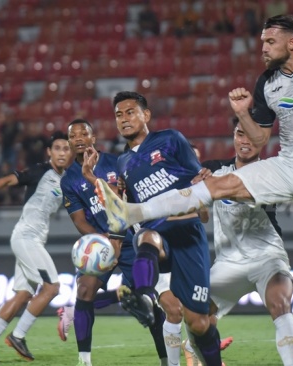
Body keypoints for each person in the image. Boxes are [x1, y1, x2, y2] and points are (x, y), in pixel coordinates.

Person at [94, 14, 293, 356]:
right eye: (262, 41)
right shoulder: (267, 83)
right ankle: (131, 212)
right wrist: (243, 112)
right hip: (287, 164)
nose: (262, 47)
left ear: (292, 42)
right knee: (219, 185)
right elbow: (261, 139)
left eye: (270, 41)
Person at [81, 91, 224, 366]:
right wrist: (89, 176)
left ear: (146, 115)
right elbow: (120, 206)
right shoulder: (122, 162)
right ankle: (142, 295)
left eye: (130, 112)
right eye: (118, 115)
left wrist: (202, 195)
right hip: (155, 234)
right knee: (147, 236)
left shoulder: (170, 139)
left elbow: (197, 179)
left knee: (198, 322)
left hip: (188, 234)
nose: (123, 119)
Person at [185, 118, 293, 366]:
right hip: (229, 261)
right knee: (195, 316)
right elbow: (201, 213)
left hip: (267, 257)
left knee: (280, 305)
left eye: (251, 135)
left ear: (262, 139)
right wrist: (197, 194)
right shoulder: (214, 170)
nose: (245, 141)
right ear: (233, 137)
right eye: (240, 134)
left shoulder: (273, 170)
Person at [58, 119, 173, 366]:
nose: (78, 138)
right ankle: (84, 360)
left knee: (149, 303)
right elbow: (80, 221)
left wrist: (118, 237)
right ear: (69, 143)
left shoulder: (116, 162)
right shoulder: (68, 180)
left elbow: (123, 197)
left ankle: (166, 360)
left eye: (83, 133)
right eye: (73, 135)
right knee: (85, 290)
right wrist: (103, 240)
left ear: (93, 138)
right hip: (101, 244)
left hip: (133, 240)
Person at [0, 132, 71, 363]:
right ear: (49, 152)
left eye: (66, 149)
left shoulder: (66, 179)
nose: (62, 152)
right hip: (26, 237)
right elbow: (8, 180)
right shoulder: (41, 171)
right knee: (52, 288)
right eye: (58, 148)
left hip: (33, 240)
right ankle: (18, 336)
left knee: (23, 295)